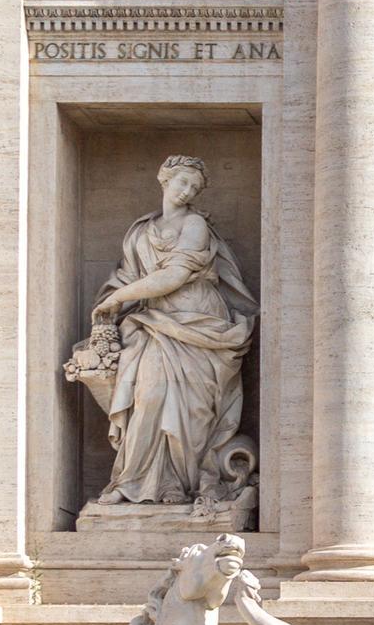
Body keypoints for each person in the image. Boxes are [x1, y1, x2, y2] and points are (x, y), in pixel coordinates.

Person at [64, 157, 259, 506]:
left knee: (192, 409)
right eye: (182, 182)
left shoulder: (196, 224)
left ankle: (180, 486)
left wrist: (120, 298)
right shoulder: (140, 231)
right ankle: (134, 482)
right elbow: (127, 277)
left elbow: (173, 276)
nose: (187, 192)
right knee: (149, 397)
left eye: (194, 188)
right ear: (163, 178)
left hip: (198, 322)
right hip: (154, 323)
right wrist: (114, 302)